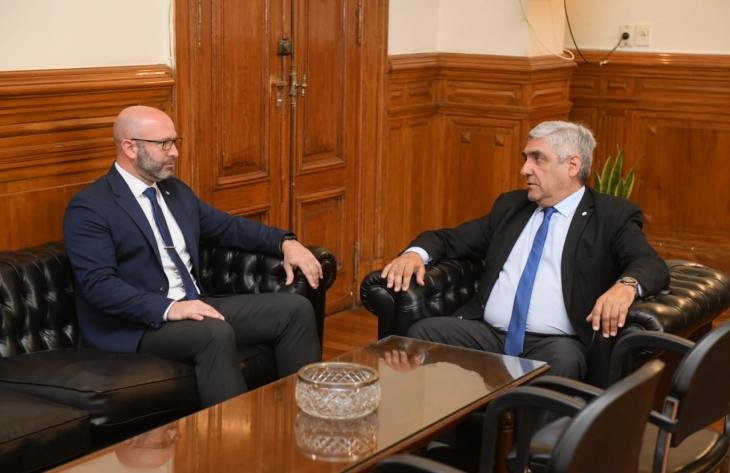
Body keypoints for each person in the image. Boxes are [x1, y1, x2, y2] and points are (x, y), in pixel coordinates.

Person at [64, 105, 322, 407]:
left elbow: (227, 227)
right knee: (213, 333)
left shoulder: (175, 192)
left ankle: (305, 416)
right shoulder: (91, 207)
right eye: (164, 144)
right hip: (137, 325)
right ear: (130, 147)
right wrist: (169, 308)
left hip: (194, 306)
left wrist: (284, 242)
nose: (174, 152)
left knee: (295, 310)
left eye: (175, 142)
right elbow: (99, 285)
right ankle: (232, 435)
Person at [381, 120, 668, 380]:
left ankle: (530, 426)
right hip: (489, 334)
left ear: (572, 165)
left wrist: (626, 286)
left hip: (555, 343)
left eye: (537, 158)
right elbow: (450, 239)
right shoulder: (512, 206)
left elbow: (650, 263)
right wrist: (414, 254)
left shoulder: (610, 215)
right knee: (421, 334)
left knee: (565, 362)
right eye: (526, 158)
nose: (525, 169)